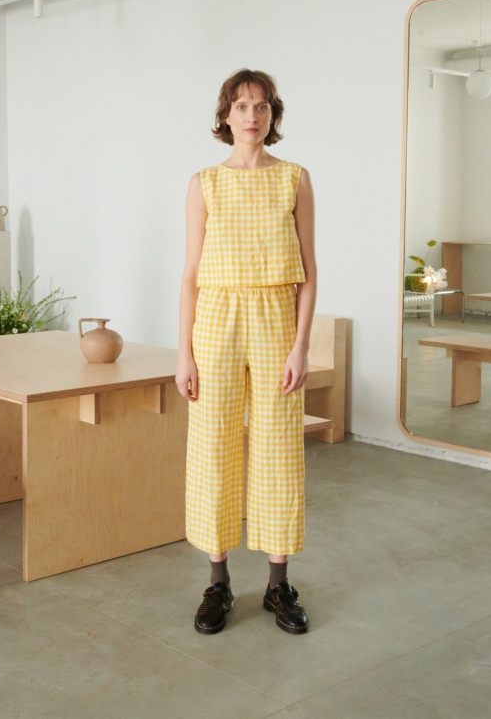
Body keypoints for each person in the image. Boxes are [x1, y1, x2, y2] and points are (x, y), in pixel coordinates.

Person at [176, 68, 317, 635]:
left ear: (273, 115)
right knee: (212, 441)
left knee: (279, 445)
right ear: (225, 116)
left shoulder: (296, 179)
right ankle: (218, 580)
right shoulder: (204, 182)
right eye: (241, 106)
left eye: (261, 106)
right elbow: (189, 274)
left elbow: (308, 273)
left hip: (277, 318)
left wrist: (301, 345)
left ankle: (278, 584)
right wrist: (184, 352)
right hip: (216, 320)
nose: (252, 116)